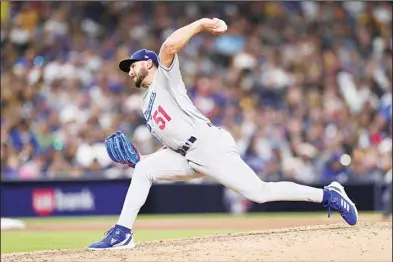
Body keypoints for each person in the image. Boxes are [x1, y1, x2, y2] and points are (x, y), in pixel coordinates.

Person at [88, 18, 358, 250]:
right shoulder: (146, 103)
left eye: (133, 64)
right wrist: (144, 157)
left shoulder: (164, 79)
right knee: (143, 170)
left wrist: (202, 24)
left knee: (259, 192)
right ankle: (123, 233)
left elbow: (168, 46)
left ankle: (329, 195)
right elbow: (172, 141)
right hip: (185, 154)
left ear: (148, 63)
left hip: (208, 146)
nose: (130, 69)